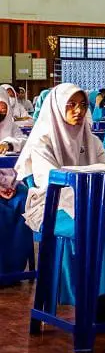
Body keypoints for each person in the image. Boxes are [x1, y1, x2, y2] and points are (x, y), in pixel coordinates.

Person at [15, 83, 105, 320]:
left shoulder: (92, 141)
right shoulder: (43, 143)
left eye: (83, 105)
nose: (79, 110)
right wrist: (93, 212)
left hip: (92, 202)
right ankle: (95, 300)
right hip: (50, 205)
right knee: (93, 229)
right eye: (71, 105)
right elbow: (54, 185)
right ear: (56, 107)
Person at [0, 88, 33, 275]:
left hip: (13, 185)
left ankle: (16, 268)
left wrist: (9, 143)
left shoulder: (12, 127)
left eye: (3, 106)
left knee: (26, 202)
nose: (0, 110)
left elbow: (25, 143)